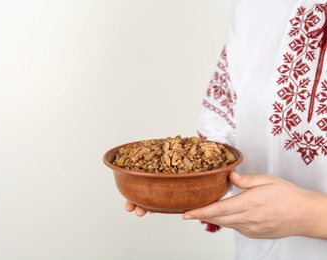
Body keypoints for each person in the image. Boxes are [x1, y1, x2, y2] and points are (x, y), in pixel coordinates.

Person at [125, 0, 327, 259]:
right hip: (260, 250)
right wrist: (175, 186)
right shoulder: (253, 6)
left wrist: (308, 215)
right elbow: (225, 128)